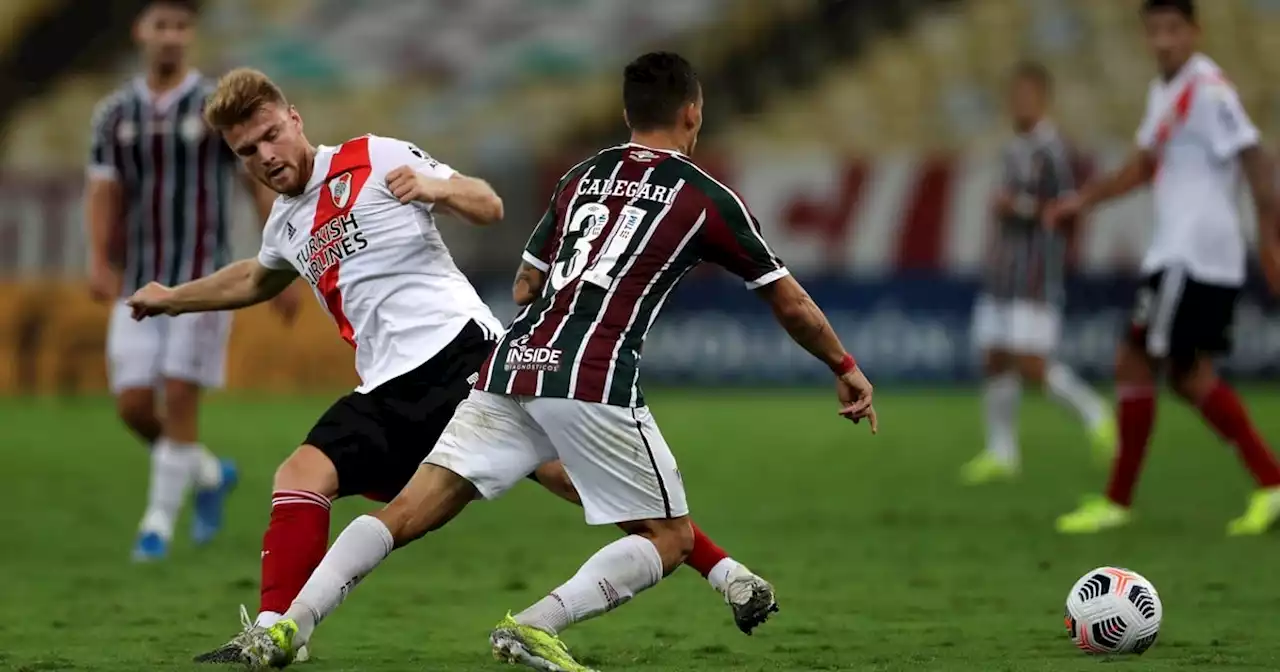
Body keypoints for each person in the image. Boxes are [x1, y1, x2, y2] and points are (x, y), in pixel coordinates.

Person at [232, 52, 877, 672]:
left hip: (508, 363)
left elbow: (523, 286)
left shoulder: (582, 175)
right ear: (693, 112)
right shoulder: (705, 197)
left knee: (403, 514)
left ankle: (294, 623)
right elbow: (789, 303)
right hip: (592, 375)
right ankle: (538, 623)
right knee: (667, 538)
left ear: (628, 115)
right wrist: (843, 364)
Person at [1050, 0, 1280, 535]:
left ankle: (1117, 500)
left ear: (1195, 31)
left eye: (1174, 29)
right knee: (1187, 374)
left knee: (1133, 360)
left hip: (1191, 252)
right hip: (1188, 253)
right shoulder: (1167, 92)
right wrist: (1082, 201)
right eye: (1154, 30)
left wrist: (1270, 242)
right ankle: (1271, 484)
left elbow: (1256, 158)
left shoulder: (1208, 89)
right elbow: (1143, 167)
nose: (1164, 41)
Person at [85, 0, 299, 562]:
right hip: (138, 279)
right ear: (141, 31)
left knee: (179, 395)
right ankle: (208, 473)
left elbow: (256, 179)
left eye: (181, 26)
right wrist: (99, 259)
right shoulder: (114, 114)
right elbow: (104, 189)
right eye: (162, 25)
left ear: (191, 35)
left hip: (203, 281)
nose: (171, 36)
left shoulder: (213, 110)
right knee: (133, 406)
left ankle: (154, 527)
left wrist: (282, 257)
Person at [961, 61, 1115, 485]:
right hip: (1002, 274)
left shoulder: (1053, 152)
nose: (1019, 103)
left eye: (1027, 95)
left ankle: (1096, 413)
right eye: (1014, 95)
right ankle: (1001, 451)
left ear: (1043, 99)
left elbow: (1067, 212)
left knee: (1031, 363)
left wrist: (1020, 209)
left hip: (1034, 277)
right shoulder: (1013, 148)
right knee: (994, 356)